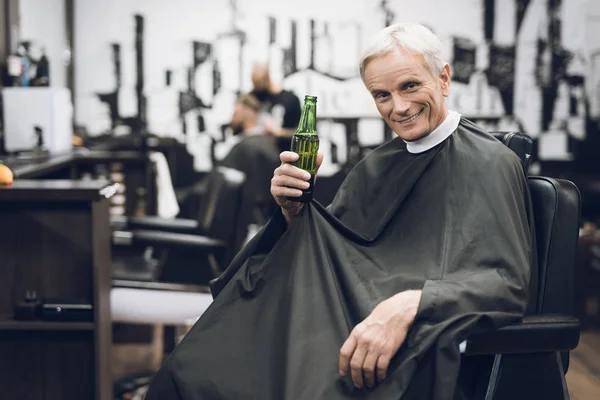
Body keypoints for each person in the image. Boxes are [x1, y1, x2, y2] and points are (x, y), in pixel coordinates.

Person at [145, 23, 535, 400]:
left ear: (444, 78)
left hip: (412, 341)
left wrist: (410, 304)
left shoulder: (490, 162)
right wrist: (293, 210)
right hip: (347, 316)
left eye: (410, 86)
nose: (398, 107)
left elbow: (505, 282)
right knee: (197, 369)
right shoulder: (376, 165)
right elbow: (334, 251)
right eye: (382, 95)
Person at [218, 93, 280, 227]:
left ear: (246, 114)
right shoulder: (263, 144)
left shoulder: (247, 147)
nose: (231, 120)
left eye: (235, 114)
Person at [250, 62, 302, 152]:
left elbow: (300, 133)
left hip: (283, 153)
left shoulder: (291, 99)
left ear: (266, 78)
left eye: (259, 83)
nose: (257, 88)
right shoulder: (254, 97)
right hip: (259, 154)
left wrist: (280, 132)